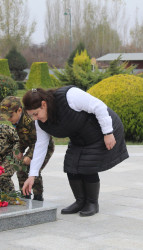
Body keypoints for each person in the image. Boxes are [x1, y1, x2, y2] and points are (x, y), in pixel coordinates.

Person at [21, 86, 129, 216]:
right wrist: (32, 175)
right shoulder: (40, 123)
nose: (34, 118)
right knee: (71, 165)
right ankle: (80, 201)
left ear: (44, 104)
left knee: (88, 165)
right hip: (80, 137)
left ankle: (92, 203)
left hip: (103, 130)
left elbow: (99, 106)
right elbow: (41, 145)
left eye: (35, 114)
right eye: (31, 115)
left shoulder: (69, 97)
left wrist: (108, 132)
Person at [0, 96, 55, 201]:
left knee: (33, 168)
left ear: (19, 110)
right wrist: (19, 150)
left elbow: (38, 142)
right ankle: (25, 194)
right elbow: (22, 139)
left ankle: (38, 196)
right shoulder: (16, 121)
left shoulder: (30, 120)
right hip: (32, 145)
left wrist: (29, 156)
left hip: (44, 146)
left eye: (10, 116)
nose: (9, 119)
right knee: (20, 168)